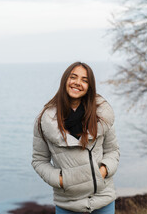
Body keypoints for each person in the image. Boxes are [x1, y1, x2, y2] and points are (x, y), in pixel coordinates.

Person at [32, 62, 120, 214]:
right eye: (73, 77)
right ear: (65, 80)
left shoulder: (102, 115)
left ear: (89, 86)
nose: (78, 83)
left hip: (103, 201)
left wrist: (104, 171)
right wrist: (60, 180)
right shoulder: (45, 120)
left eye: (84, 80)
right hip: (68, 205)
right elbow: (39, 160)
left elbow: (112, 151)